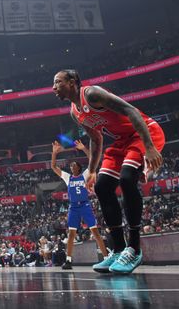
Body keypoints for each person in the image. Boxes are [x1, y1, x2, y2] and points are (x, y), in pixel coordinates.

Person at [52, 69, 164, 274]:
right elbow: (96, 139)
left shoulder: (92, 94)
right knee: (103, 187)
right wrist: (92, 170)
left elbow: (131, 111)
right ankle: (119, 249)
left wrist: (148, 146)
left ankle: (134, 248)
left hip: (143, 133)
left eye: (58, 82)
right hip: (122, 142)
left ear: (72, 81)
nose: (54, 87)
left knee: (127, 179)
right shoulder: (74, 111)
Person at [50, 140, 108, 269]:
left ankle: (106, 257)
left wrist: (83, 149)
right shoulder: (67, 177)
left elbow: (93, 160)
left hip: (85, 205)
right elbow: (54, 167)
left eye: (74, 165)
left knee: (95, 232)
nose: (71, 167)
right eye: (70, 166)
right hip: (74, 207)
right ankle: (69, 260)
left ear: (78, 167)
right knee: (71, 234)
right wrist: (54, 153)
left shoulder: (85, 175)